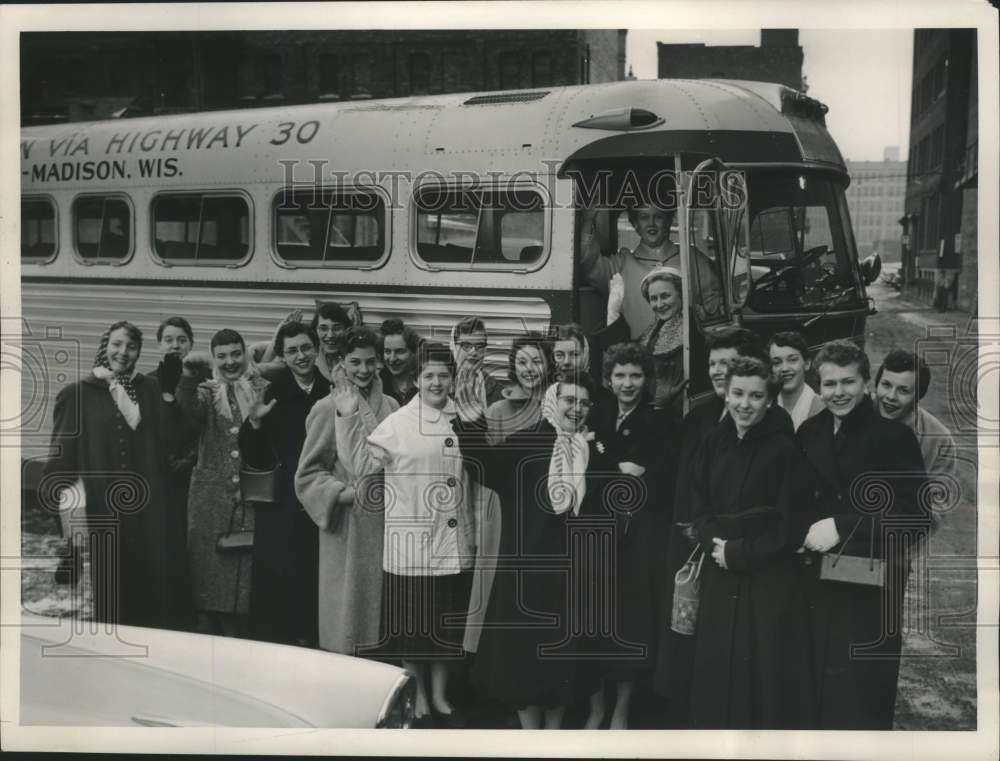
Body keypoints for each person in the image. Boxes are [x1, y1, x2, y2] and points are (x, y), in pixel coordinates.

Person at [334, 341, 475, 727]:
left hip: (452, 543)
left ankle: (442, 694)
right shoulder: (397, 424)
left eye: (444, 375)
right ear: (416, 379)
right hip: (410, 545)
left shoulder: (463, 417)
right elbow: (360, 464)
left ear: (453, 379)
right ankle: (422, 695)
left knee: (446, 627)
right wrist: (346, 417)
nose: (436, 382)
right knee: (413, 630)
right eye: (428, 375)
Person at [453, 373, 599, 729]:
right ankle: (531, 738)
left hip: (568, 573)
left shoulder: (589, 448)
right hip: (525, 567)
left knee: (558, 663)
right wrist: (470, 423)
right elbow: (484, 465)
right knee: (522, 660)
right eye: (569, 400)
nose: (575, 409)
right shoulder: (526, 441)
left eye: (582, 403)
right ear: (553, 401)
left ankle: (553, 735)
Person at [797, 339, 928, 729]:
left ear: (866, 382)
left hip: (870, 587)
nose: (838, 393)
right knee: (813, 688)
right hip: (814, 580)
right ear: (818, 387)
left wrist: (842, 525)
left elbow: (914, 517)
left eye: (848, 382)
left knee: (861, 694)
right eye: (829, 384)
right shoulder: (808, 432)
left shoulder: (893, 438)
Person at [651, 326, 774, 726]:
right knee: (682, 630)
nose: (719, 371)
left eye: (728, 363)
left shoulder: (769, 424)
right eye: (713, 364)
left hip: (727, 549)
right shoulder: (700, 415)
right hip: (688, 537)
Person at [687, 357, 814, 728]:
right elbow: (699, 506)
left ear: (769, 400)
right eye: (737, 393)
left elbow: (791, 525)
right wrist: (716, 544)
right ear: (725, 393)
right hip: (719, 574)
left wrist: (739, 552)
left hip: (766, 580)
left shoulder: (784, 451)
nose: (744, 404)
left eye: (755, 396)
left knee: (759, 677)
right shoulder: (713, 441)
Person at [44, 321, 178, 627]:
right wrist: (67, 526)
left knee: (153, 595)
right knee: (111, 596)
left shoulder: (152, 389)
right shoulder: (77, 394)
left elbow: (169, 441)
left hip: (149, 511)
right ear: (105, 346)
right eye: (117, 344)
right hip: (102, 510)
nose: (123, 352)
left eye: (131, 347)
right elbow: (61, 460)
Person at [581, 343, 679, 729]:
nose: (627, 383)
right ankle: (595, 709)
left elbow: (662, 479)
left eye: (635, 375)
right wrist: (616, 472)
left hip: (637, 538)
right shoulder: (596, 414)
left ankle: (621, 709)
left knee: (630, 623)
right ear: (608, 378)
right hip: (596, 533)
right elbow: (585, 471)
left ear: (646, 379)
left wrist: (637, 476)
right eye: (620, 375)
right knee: (594, 619)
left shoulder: (661, 422)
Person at [294, 326, 398, 656]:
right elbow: (308, 473)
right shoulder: (326, 407)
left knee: (381, 614)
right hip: (347, 527)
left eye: (370, 362)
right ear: (342, 362)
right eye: (355, 362)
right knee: (346, 621)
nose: (364, 370)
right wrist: (341, 494)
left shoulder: (393, 406)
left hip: (385, 525)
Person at [238, 322, 331, 646]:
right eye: (292, 351)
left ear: (316, 349)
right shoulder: (272, 394)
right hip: (282, 507)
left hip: (320, 504)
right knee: (278, 589)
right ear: (283, 357)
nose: (301, 356)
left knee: (315, 583)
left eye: (306, 348)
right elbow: (254, 458)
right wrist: (254, 424)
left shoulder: (332, 392)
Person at [177, 328, 268, 637]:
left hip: (254, 496)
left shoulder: (263, 387)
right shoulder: (205, 392)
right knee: (211, 577)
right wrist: (188, 376)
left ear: (245, 353)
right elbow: (185, 420)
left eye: (236, 354)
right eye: (222, 356)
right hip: (211, 500)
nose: (230, 362)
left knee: (249, 579)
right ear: (214, 359)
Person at [578, 202, 723, 338]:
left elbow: (714, 303)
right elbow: (589, 264)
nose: (651, 224)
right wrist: (587, 222)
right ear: (635, 224)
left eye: (658, 217)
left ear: (668, 221)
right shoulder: (621, 264)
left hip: (686, 355)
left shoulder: (692, 258)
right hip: (638, 357)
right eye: (644, 217)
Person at [874, 349, 957, 482]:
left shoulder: (940, 440)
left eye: (903, 390)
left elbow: (939, 499)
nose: (891, 396)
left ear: (918, 396)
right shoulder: (850, 413)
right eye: (886, 385)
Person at [628, 267, 686, 411]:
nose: (659, 305)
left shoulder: (690, 331)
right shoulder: (654, 329)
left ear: (681, 294)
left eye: (665, 296)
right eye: (654, 299)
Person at [484, 332, 552, 445]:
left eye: (537, 362)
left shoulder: (559, 407)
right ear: (513, 367)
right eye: (522, 362)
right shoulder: (496, 412)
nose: (529, 368)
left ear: (548, 366)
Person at [768, 331, 824, 431]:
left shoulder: (823, 409)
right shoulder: (764, 408)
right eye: (776, 363)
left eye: (793, 360)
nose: (784, 368)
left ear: (807, 363)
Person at [450, 315, 504, 407]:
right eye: (466, 346)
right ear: (455, 347)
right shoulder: (441, 383)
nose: (473, 352)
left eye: (479, 346)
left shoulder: (496, 390)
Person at [378, 318, 420, 406]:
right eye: (387, 351)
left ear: (413, 352)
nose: (392, 359)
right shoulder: (377, 384)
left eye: (400, 351)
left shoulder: (424, 381)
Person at [311, 302, 353, 381]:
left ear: (346, 329)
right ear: (315, 331)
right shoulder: (310, 358)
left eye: (337, 328)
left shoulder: (355, 355)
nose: (330, 335)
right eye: (323, 329)